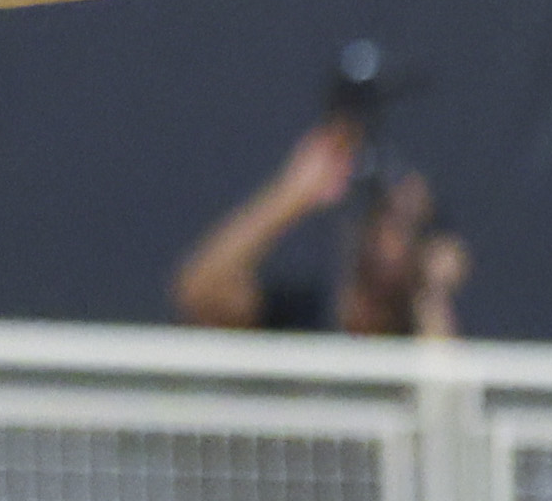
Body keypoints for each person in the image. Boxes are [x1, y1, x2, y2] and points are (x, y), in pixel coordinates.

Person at [171, 112, 467, 337]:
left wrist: (432, 294)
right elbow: (201, 292)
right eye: (383, 221)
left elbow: (448, 401)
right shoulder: (306, 317)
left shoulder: (419, 340)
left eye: (410, 227)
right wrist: (292, 194)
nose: (391, 242)